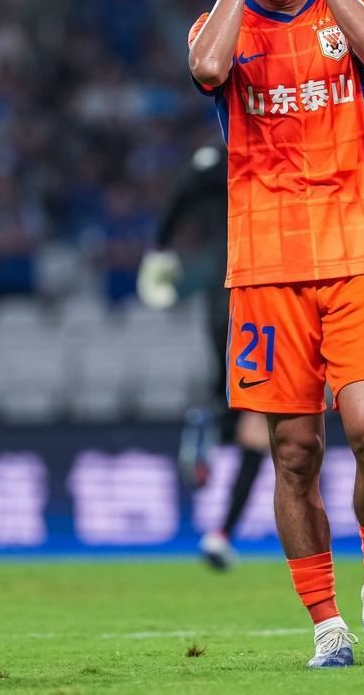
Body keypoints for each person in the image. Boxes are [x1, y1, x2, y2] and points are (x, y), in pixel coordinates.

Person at [187, 0, 364, 669]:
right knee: (293, 455)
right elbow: (208, 69)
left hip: (358, 249)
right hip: (267, 267)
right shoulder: (218, 23)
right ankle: (327, 627)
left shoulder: (350, 10)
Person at [138, 143, 269, 571]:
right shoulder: (275, 152)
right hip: (264, 299)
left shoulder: (221, 157)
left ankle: (211, 417)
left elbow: (186, 189)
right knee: (260, 421)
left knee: (244, 404)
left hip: (223, 302)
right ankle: (223, 531)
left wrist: (160, 248)